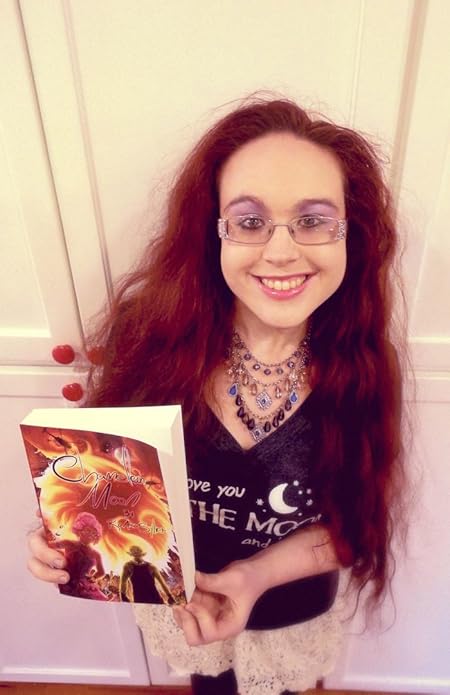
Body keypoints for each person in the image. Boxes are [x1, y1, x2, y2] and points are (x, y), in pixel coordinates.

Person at [27, 96, 408, 695]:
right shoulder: (150, 337)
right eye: (249, 222)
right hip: (184, 606)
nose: (280, 251)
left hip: (291, 610)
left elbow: (355, 527)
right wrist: (64, 532)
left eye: (313, 220)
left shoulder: (365, 364)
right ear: (213, 233)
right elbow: (103, 481)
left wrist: (256, 576)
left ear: (349, 236)